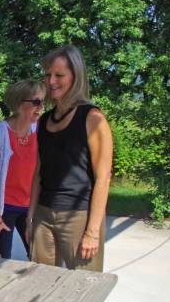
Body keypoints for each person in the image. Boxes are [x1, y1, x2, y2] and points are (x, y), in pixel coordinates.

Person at [27, 45, 113, 271]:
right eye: (48, 75)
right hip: (43, 215)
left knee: (83, 289)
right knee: (38, 285)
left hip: (79, 217)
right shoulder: (44, 120)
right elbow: (39, 172)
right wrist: (31, 217)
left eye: (59, 75)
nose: (51, 81)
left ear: (76, 76)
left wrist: (92, 232)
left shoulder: (93, 118)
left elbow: (103, 178)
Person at [0, 81, 45, 259]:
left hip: (29, 208)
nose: (42, 107)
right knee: (1, 263)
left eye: (43, 102)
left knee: (40, 258)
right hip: (2, 209)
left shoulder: (38, 129)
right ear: (19, 104)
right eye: (37, 102)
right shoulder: (2, 131)